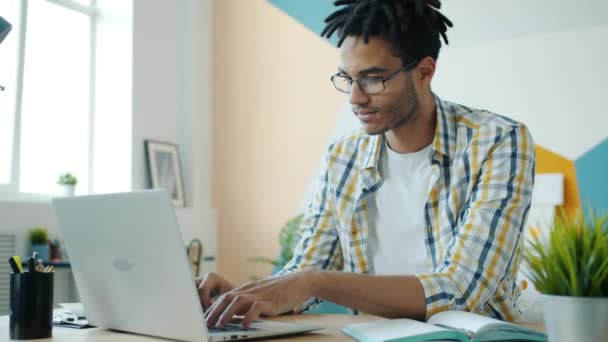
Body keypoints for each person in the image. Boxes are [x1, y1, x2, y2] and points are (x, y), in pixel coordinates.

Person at [198, 0, 535, 329]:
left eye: (373, 79)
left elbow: (463, 289)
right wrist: (245, 297)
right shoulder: (342, 160)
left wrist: (313, 282)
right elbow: (307, 269)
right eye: (347, 78)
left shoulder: (497, 142)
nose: (355, 98)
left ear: (424, 71)